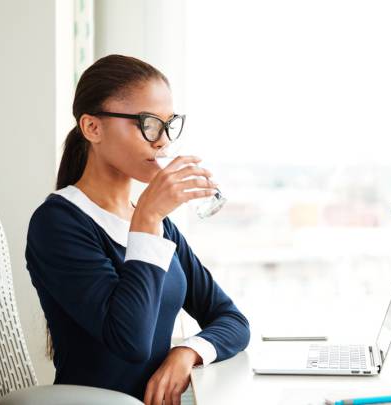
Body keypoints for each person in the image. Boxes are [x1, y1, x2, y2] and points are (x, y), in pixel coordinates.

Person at [25, 54, 250, 405]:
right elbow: (130, 341)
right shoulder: (58, 223)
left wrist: (186, 353)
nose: (161, 141)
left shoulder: (160, 226)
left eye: (168, 124)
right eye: (148, 123)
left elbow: (232, 319)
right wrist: (146, 221)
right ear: (92, 128)